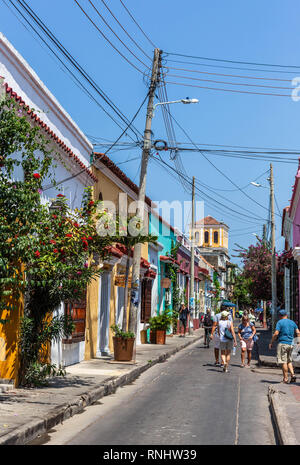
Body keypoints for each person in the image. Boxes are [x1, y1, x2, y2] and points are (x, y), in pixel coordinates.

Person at [269, 309, 300, 383]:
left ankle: (285, 378)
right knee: (289, 360)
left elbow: (276, 333)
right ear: (286, 315)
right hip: (291, 344)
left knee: (283, 361)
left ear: (280, 316)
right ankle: (293, 375)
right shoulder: (292, 322)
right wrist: (298, 342)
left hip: (283, 344)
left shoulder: (279, 322)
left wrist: (271, 342)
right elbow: (298, 332)